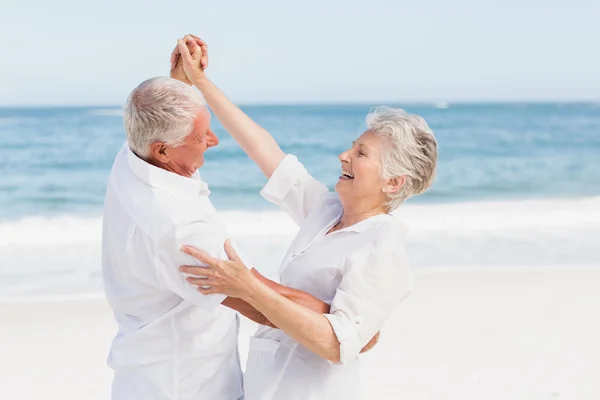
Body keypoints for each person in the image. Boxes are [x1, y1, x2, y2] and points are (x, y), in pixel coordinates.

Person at [173, 35, 438, 399]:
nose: (344, 155)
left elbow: (339, 344)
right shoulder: (326, 211)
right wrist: (199, 82)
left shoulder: (383, 249)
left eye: (361, 153)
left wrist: (251, 287)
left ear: (392, 182)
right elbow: (262, 148)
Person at [101, 74, 343, 400]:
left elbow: (156, 114)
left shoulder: (130, 158)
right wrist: (348, 324)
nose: (214, 140)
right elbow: (264, 305)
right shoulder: (182, 231)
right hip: (186, 389)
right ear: (162, 150)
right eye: (201, 136)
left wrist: (182, 82)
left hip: (140, 381)